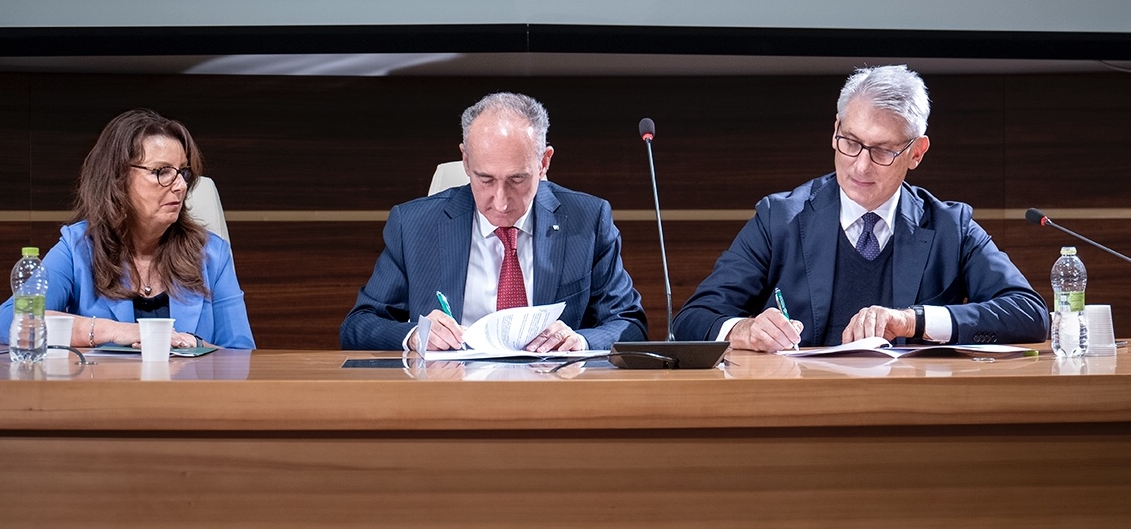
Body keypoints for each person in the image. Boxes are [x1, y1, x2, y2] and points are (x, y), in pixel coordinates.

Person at [673, 65, 1048, 352]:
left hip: (914, 416)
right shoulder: (780, 219)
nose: (860, 166)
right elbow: (692, 319)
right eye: (850, 142)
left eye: (883, 150)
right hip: (799, 413)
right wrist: (743, 330)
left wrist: (913, 320)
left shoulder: (951, 227)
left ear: (916, 153)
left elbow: (1030, 314)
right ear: (835, 130)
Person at [341, 92, 648, 351]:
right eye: (485, 179)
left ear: (544, 162)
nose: (500, 202)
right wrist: (414, 336)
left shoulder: (587, 219)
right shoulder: (414, 225)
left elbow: (630, 325)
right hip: (448, 395)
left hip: (553, 396)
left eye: (517, 179)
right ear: (465, 161)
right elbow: (358, 325)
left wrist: (580, 340)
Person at [0, 109, 255, 350]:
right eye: (162, 171)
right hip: (104, 398)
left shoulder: (210, 254)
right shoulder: (78, 248)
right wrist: (113, 331)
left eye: (183, 173)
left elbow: (241, 353)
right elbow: (12, 321)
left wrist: (195, 345)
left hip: (190, 396)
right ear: (118, 178)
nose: (180, 186)